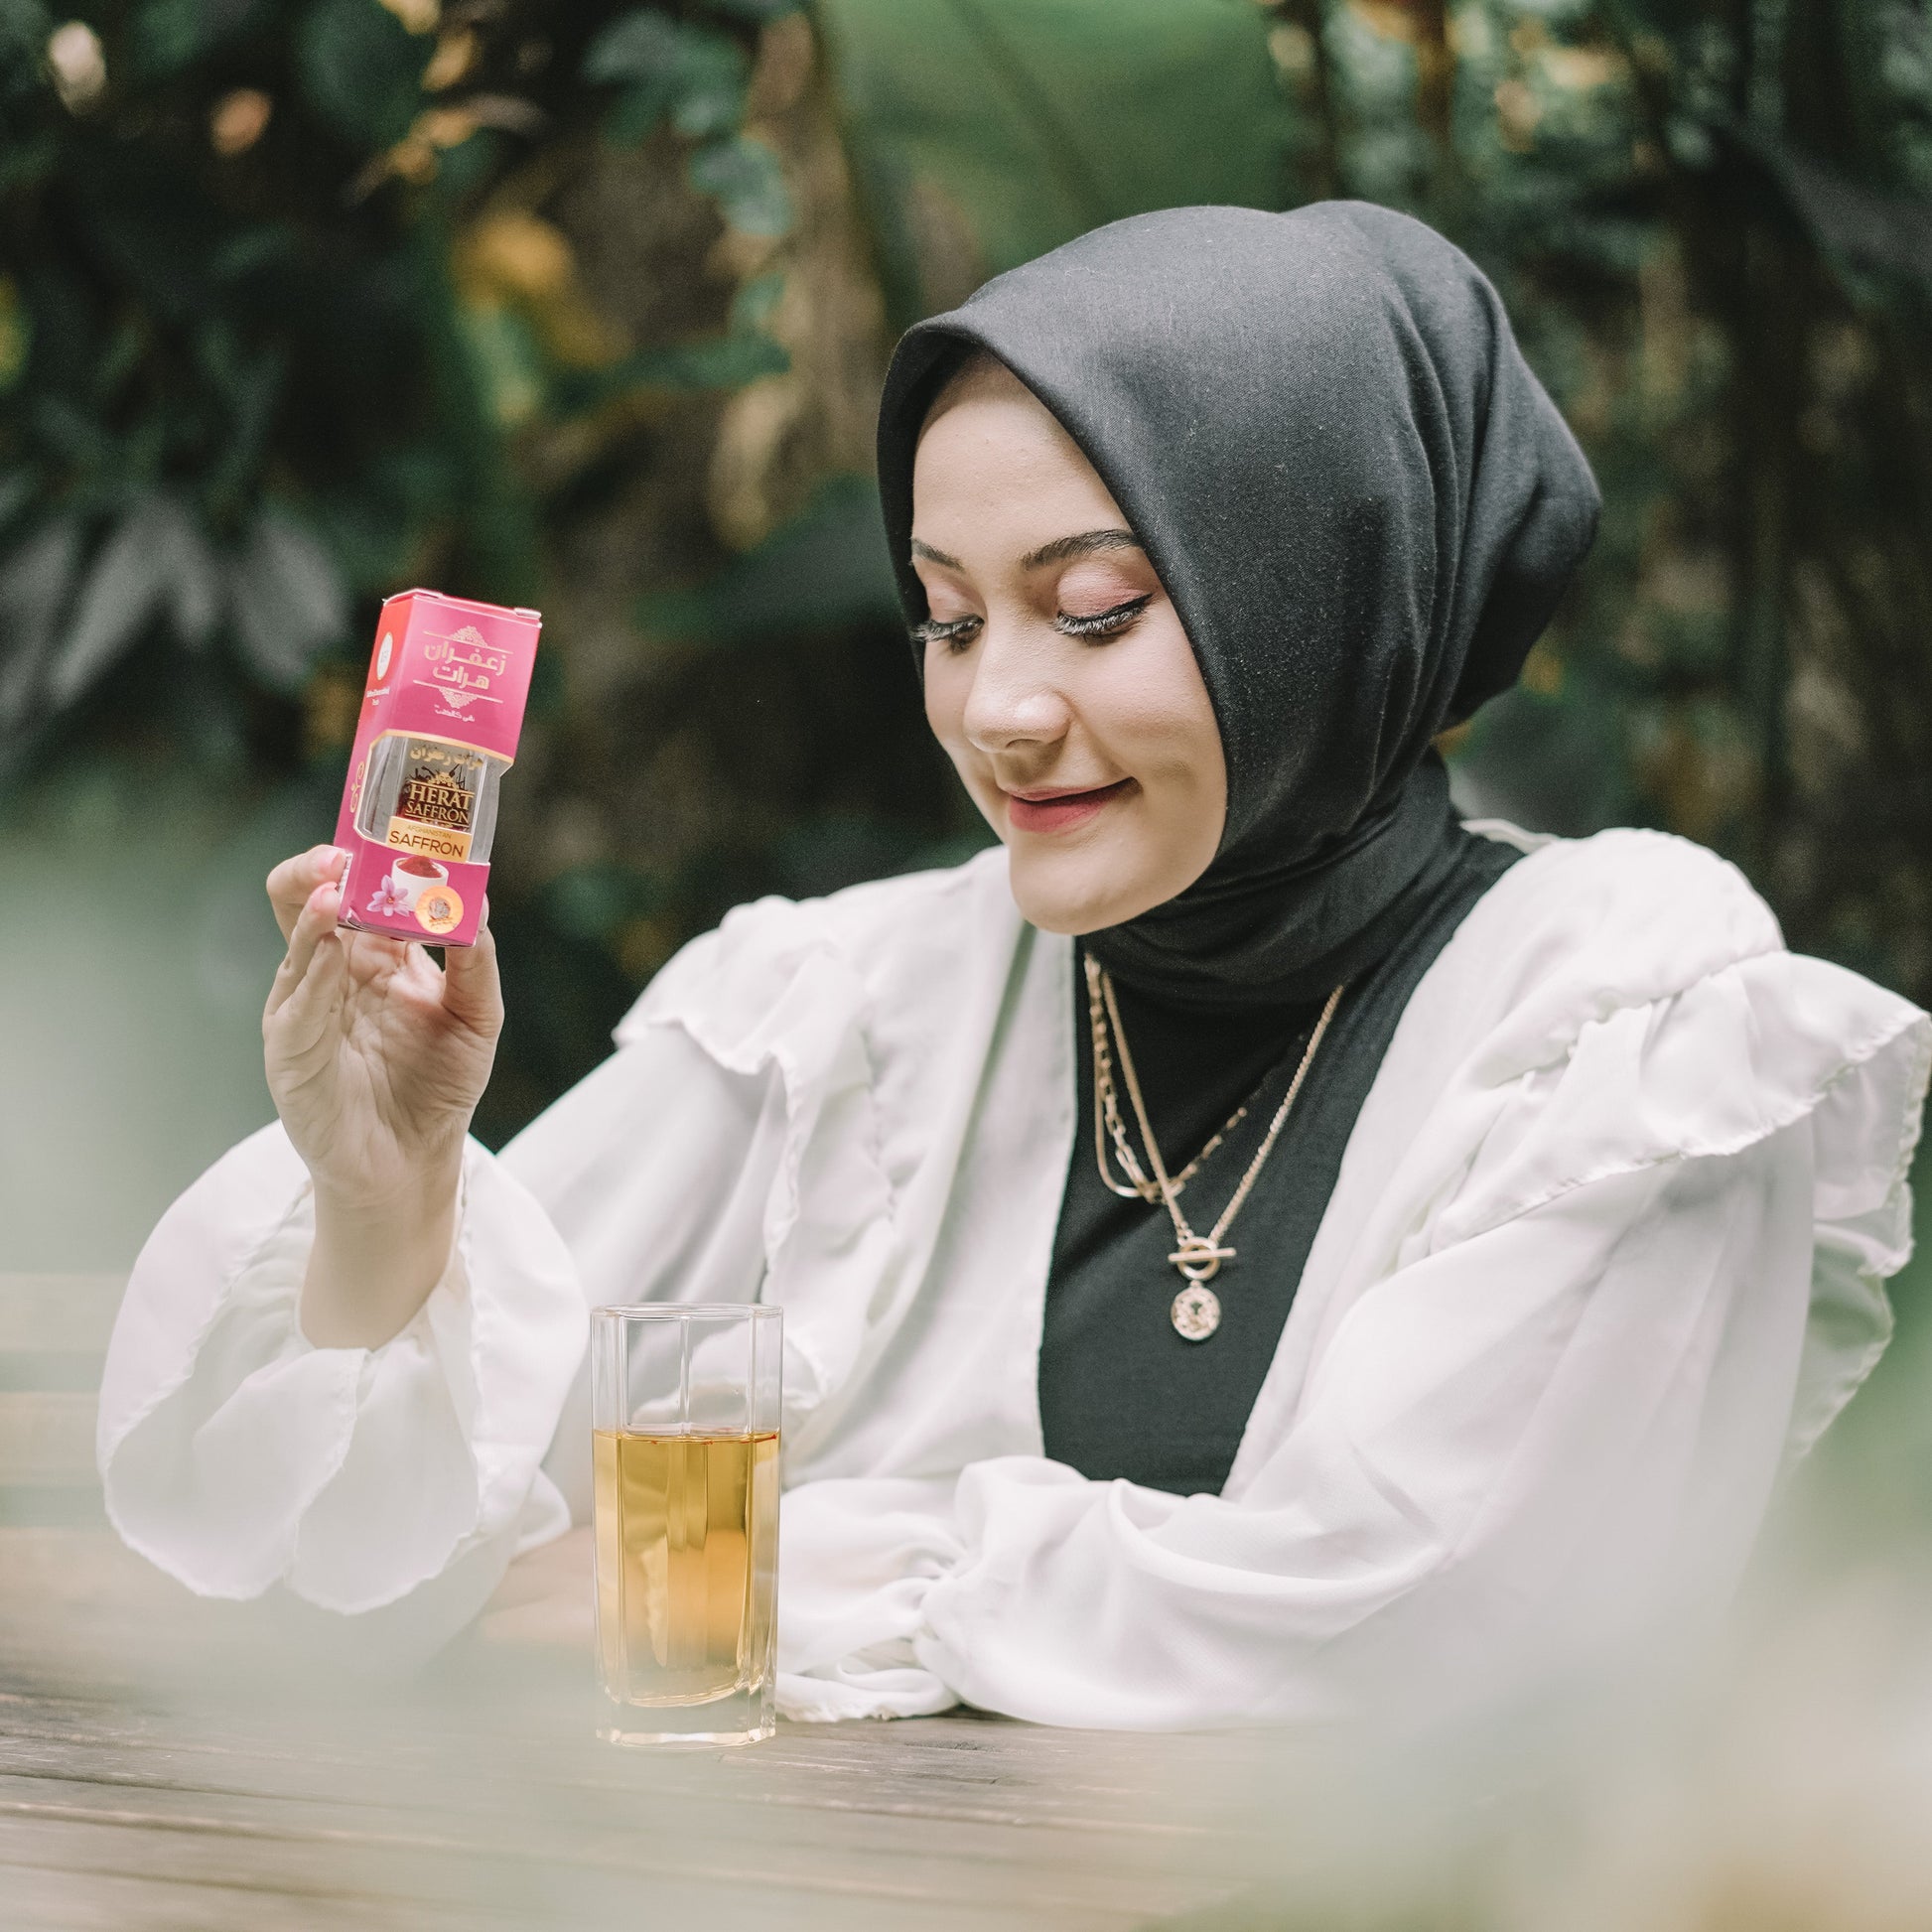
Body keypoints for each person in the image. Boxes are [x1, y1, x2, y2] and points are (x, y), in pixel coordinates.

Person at [99, 203, 1930, 1728]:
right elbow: (344, 1589)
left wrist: (767, 1569)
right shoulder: (841, 1004)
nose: (997, 709)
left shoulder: (1624, 1022)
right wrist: (386, 1200)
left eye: (1096, 607)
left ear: (1329, 585)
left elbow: (1445, 1617)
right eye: (947, 616)